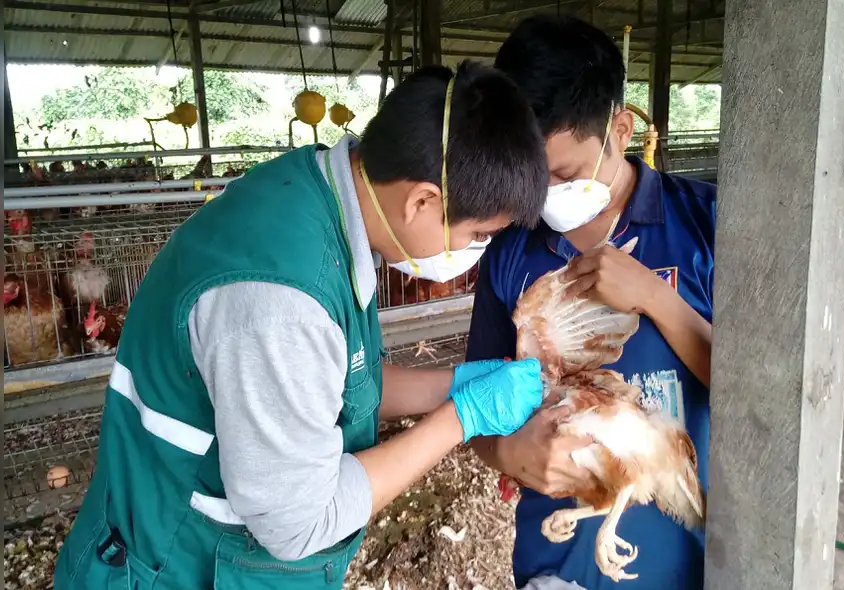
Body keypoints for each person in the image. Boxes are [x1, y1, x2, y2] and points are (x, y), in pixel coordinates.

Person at [54, 61, 550, 589]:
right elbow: (299, 525)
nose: (472, 251)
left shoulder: (322, 192)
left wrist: (451, 384)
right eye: (476, 234)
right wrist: (460, 419)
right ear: (423, 200)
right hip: (178, 565)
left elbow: (331, 388)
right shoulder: (281, 303)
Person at [466, 15, 716, 590]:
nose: (546, 194)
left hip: (689, 559)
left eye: (564, 172)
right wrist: (507, 454)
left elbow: (765, 397)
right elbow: (477, 402)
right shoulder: (510, 250)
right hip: (559, 565)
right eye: (532, 178)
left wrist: (657, 298)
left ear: (621, 130)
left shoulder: (705, 223)